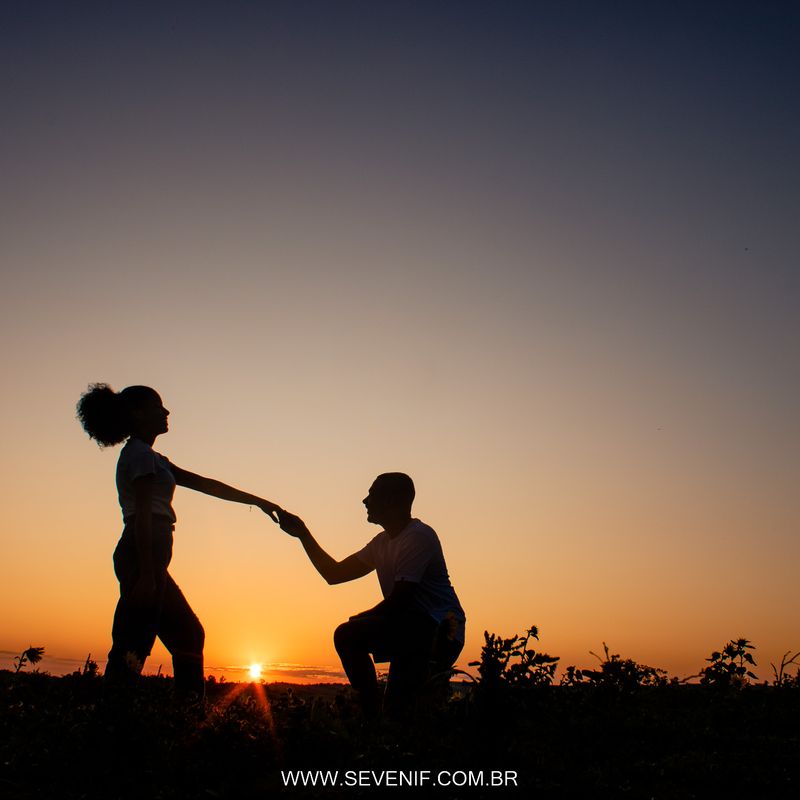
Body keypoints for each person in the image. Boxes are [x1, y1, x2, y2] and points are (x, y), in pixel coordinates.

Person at [76, 383, 283, 700]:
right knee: (134, 640)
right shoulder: (138, 456)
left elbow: (205, 484)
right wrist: (146, 573)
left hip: (149, 557)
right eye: (158, 406)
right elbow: (143, 515)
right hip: (141, 552)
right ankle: (116, 720)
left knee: (187, 634)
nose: (166, 411)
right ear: (138, 413)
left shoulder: (153, 458)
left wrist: (259, 501)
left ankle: (183, 714)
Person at [279, 472, 465, 715]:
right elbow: (334, 574)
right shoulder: (381, 543)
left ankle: (370, 712)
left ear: (392, 500)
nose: (365, 501)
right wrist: (303, 534)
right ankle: (375, 715)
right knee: (399, 711)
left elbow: (400, 600)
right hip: (409, 628)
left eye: (372, 494)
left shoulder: (418, 537)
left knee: (348, 635)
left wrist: (359, 619)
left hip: (438, 631)